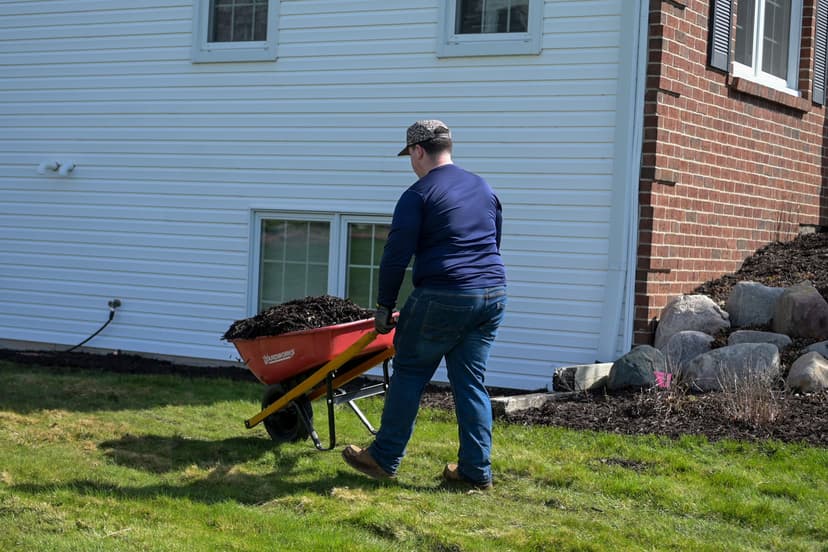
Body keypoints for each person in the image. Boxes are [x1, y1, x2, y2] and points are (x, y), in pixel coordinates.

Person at [342, 120, 507, 490]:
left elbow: (395, 257)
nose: (411, 164)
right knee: (470, 383)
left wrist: (384, 306)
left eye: (410, 156)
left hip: (444, 294)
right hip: (493, 293)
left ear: (418, 151)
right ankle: (475, 472)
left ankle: (384, 457)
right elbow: (494, 241)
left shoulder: (418, 195)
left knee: (411, 372)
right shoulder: (483, 186)